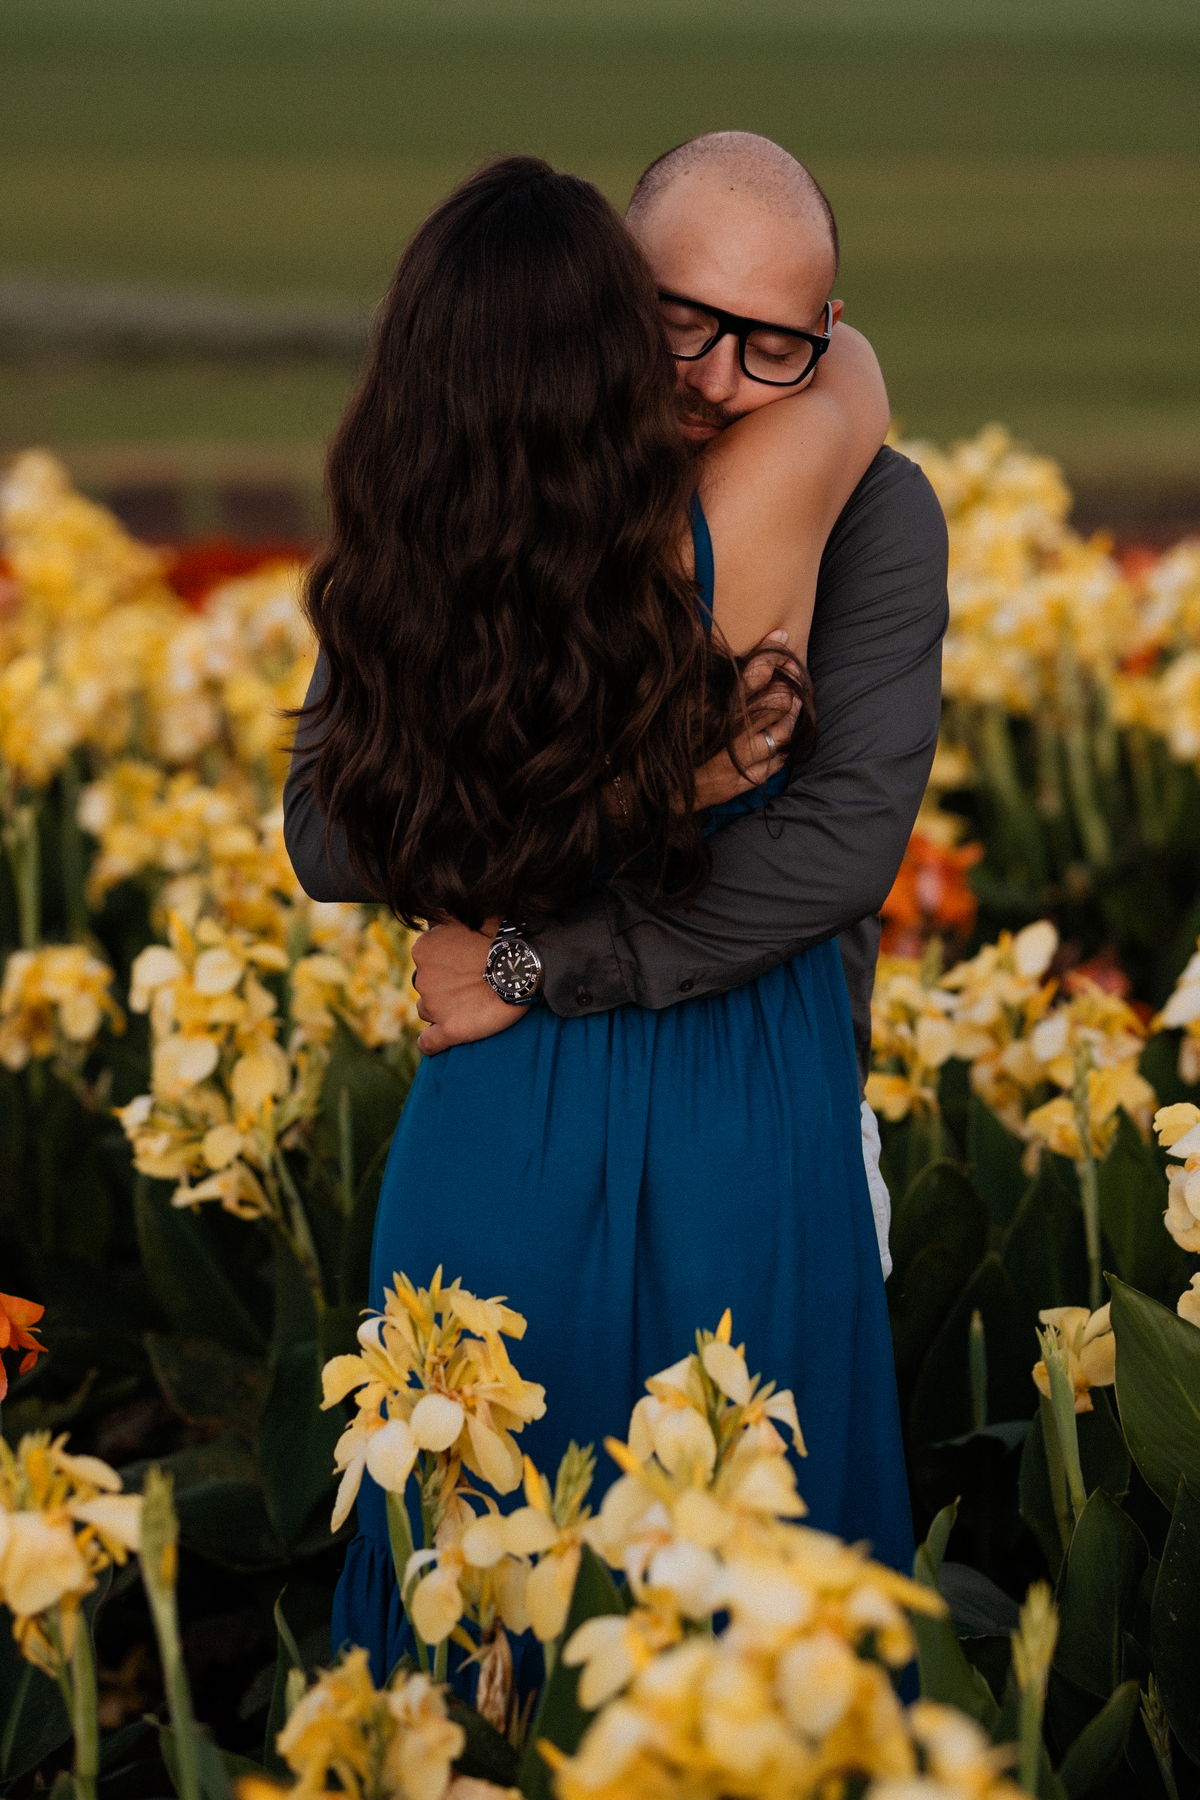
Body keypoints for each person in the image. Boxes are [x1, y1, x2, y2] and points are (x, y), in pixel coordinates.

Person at [285, 145, 930, 1683]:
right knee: (539, 1566)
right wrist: (674, 776)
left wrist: (533, 947)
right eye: (674, 323)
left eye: (775, 342)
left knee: (638, 1592)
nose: (717, 378)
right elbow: (325, 825)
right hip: (584, 1090)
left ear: (824, 327)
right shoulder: (510, 492)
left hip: (695, 1087)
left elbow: (843, 852)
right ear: (599, 298)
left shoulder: (865, 508)